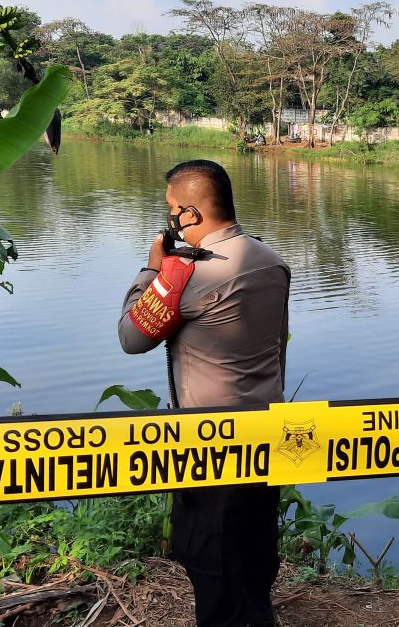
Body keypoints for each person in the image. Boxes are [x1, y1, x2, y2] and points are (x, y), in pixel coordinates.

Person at [118, 159, 290, 627]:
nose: (170, 218)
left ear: (190, 214)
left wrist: (150, 272)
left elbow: (132, 337)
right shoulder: (273, 261)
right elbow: (279, 347)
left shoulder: (189, 276)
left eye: (173, 209)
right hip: (266, 434)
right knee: (255, 556)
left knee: (211, 561)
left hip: (210, 443)